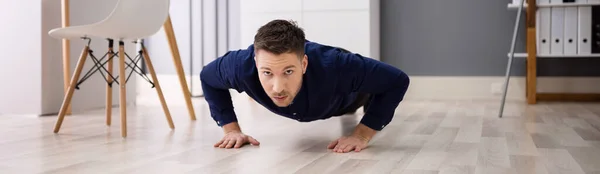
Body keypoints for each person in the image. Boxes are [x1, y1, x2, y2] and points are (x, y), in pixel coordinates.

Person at [200, 19, 410, 153]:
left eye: (288, 72)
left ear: (304, 64)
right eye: (267, 73)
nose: (277, 88)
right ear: (255, 63)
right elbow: (208, 78)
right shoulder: (238, 66)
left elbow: (397, 80)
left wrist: (362, 134)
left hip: (351, 96)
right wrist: (230, 130)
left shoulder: (337, 65)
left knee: (369, 93)